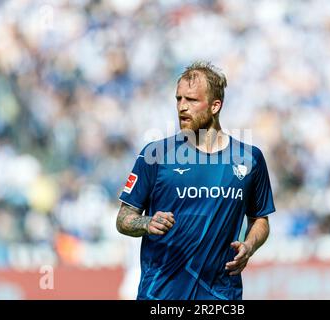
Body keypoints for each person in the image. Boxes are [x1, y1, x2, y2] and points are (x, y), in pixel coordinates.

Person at [116, 61, 275, 300]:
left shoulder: (250, 159)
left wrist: (249, 245)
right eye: (178, 99)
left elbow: (260, 219)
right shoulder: (155, 155)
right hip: (161, 295)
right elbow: (124, 218)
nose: (182, 107)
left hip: (220, 295)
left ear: (215, 106)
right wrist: (147, 223)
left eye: (191, 100)